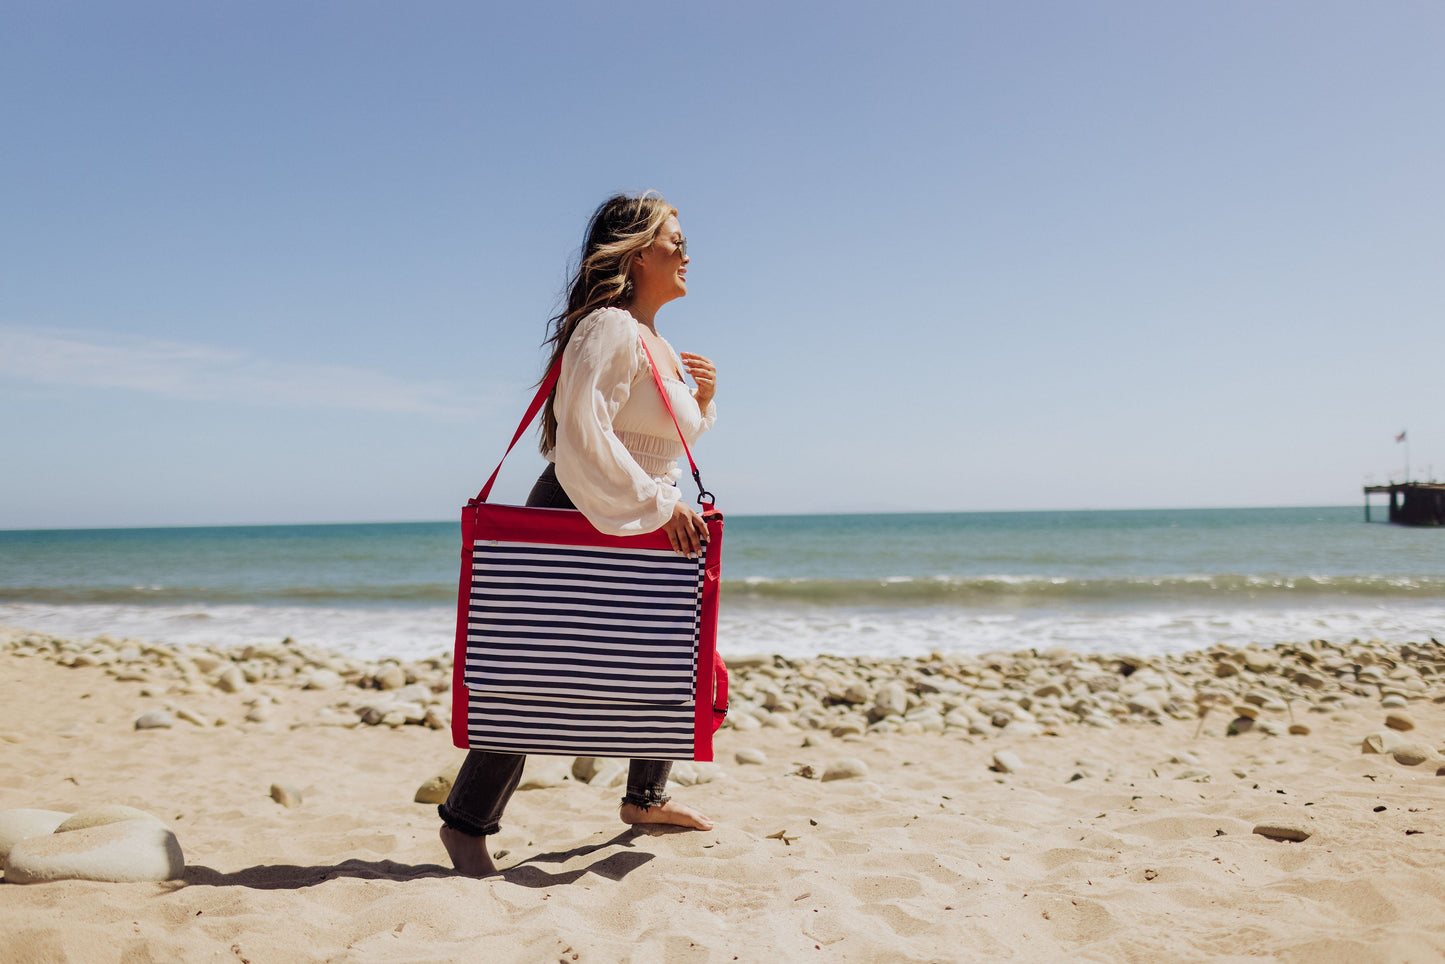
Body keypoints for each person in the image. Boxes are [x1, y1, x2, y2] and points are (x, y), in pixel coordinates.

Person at [439, 192, 719, 876]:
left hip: (646, 508)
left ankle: (644, 797)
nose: (687, 253)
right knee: (536, 673)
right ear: (632, 253)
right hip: (579, 505)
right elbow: (582, 434)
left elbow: (654, 439)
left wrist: (702, 405)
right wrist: (657, 500)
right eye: (672, 240)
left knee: (666, 655)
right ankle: (466, 825)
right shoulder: (608, 327)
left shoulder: (653, 342)